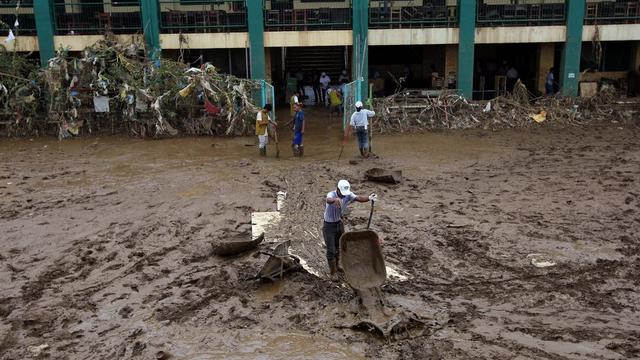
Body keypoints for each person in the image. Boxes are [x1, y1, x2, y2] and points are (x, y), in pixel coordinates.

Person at [323, 180, 377, 276]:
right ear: (337, 189)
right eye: (342, 194)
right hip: (329, 226)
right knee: (331, 249)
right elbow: (328, 199)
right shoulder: (331, 194)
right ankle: (333, 272)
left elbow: (359, 198)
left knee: (339, 246)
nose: (344, 196)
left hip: (339, 223)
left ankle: (337, 266)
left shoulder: (348, 194)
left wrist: (369, 198)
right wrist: (335, 200)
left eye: (345, 194)